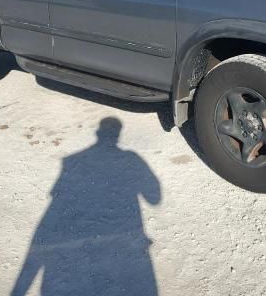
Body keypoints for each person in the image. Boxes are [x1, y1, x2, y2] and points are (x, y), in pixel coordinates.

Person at [12, 117, 161, 296]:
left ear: (98, 133)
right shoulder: (130, 159)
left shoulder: (71, 161)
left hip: (71, 259)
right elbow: (154, 198)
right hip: (120, 248)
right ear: (117, 135)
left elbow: (55, 204)